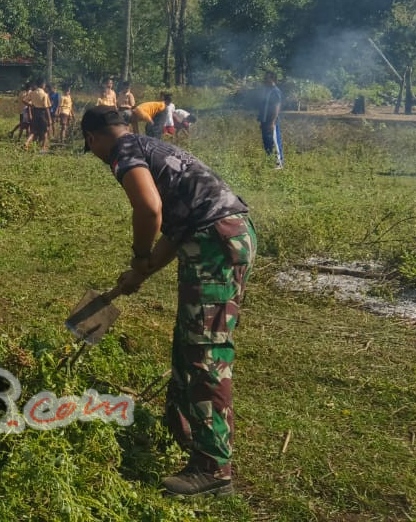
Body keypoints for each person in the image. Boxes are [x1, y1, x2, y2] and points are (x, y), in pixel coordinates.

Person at [79, 105, 256, 497]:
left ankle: (213, 469)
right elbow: (177, 228)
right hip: (222, 235)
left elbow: (150, 209)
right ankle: (183, 432)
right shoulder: (150, 145)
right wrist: (142, 271)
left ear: (93, 138)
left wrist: (139, 255)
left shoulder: (124, 153)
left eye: (89, 146)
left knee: (205, 351)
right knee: (188, 342)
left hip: (215, 243)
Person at [259, 72, 284, 169]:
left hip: (271, 122)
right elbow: (264, 107)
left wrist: (272, 122)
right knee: (267, 142)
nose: (264, 80)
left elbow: (276, 107)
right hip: (265, 121)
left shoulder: (275, 91)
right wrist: (262, 121)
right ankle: (270, 162)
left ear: (272, 80)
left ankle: (279, 164)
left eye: (266, 79)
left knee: (274, 142)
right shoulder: (267, 90)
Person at [22, 79, 52, 152]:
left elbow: (24, 100)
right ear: (42, 85)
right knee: (45, 131)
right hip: (42, 113)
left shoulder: (32, 93)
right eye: (44, 84)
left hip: (34, 112)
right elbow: (46, 107)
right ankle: (43, 148)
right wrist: (49, 119)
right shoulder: (45, 94)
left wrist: (31, 105)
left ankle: (26, 143)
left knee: (33, 131)